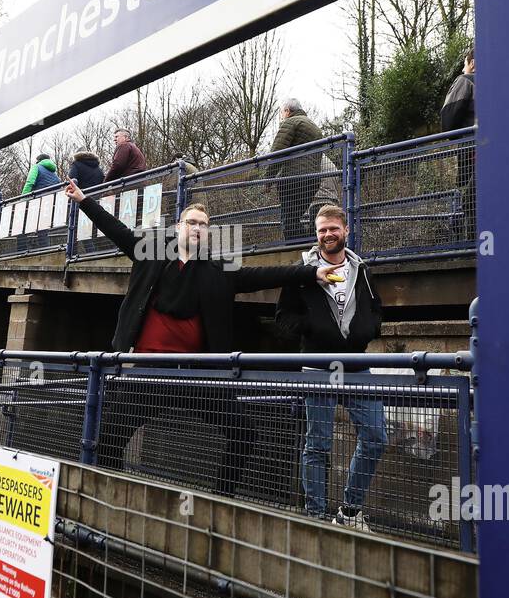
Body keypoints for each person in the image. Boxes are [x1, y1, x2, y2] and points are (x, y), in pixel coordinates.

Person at [62, 176, 337, 496]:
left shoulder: (217, 269)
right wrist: (84, 200)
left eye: (203, 225)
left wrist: (310, 272)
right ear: (178, 227)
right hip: (148, 370)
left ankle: (220, 499)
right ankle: (115, 495)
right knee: (107, 437)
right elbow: (116, 231)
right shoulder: (151, 254)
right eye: (191, 222)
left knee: (244, 432)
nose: (196, 228)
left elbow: (263, 275)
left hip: (196, 373)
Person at [275, 205, 385, 530]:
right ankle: (316, 518)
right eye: (322, 230)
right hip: (317, 367)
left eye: (333, 229)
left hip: (355, 366)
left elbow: (376, 308)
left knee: (376, 435)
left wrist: (369, 330)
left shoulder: (361, 269)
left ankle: (349, 512)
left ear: (346, 230)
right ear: (316, 233)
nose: (327, 235)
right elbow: (282, 317)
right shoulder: (302, 270)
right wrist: (311, 327)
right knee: (318, 443)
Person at [266, 98, 324, 243]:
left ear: (287, 111)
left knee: (288, 221)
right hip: (313, 180)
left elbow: (277, 152)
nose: (281, 116)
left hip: (292, 179)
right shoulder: (315, 127)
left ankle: (302, 248)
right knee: (293, 217)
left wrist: (268, 179)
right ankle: (309, 244)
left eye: (281, 112)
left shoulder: (290, 122)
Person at [441, 49, 478, 242]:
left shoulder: (466, 80)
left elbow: (448, 120)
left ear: (472, 63)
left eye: (465, 64)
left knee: (471, 201)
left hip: (473, 150)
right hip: (499, 151)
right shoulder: (501, 84)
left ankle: (474, 252)